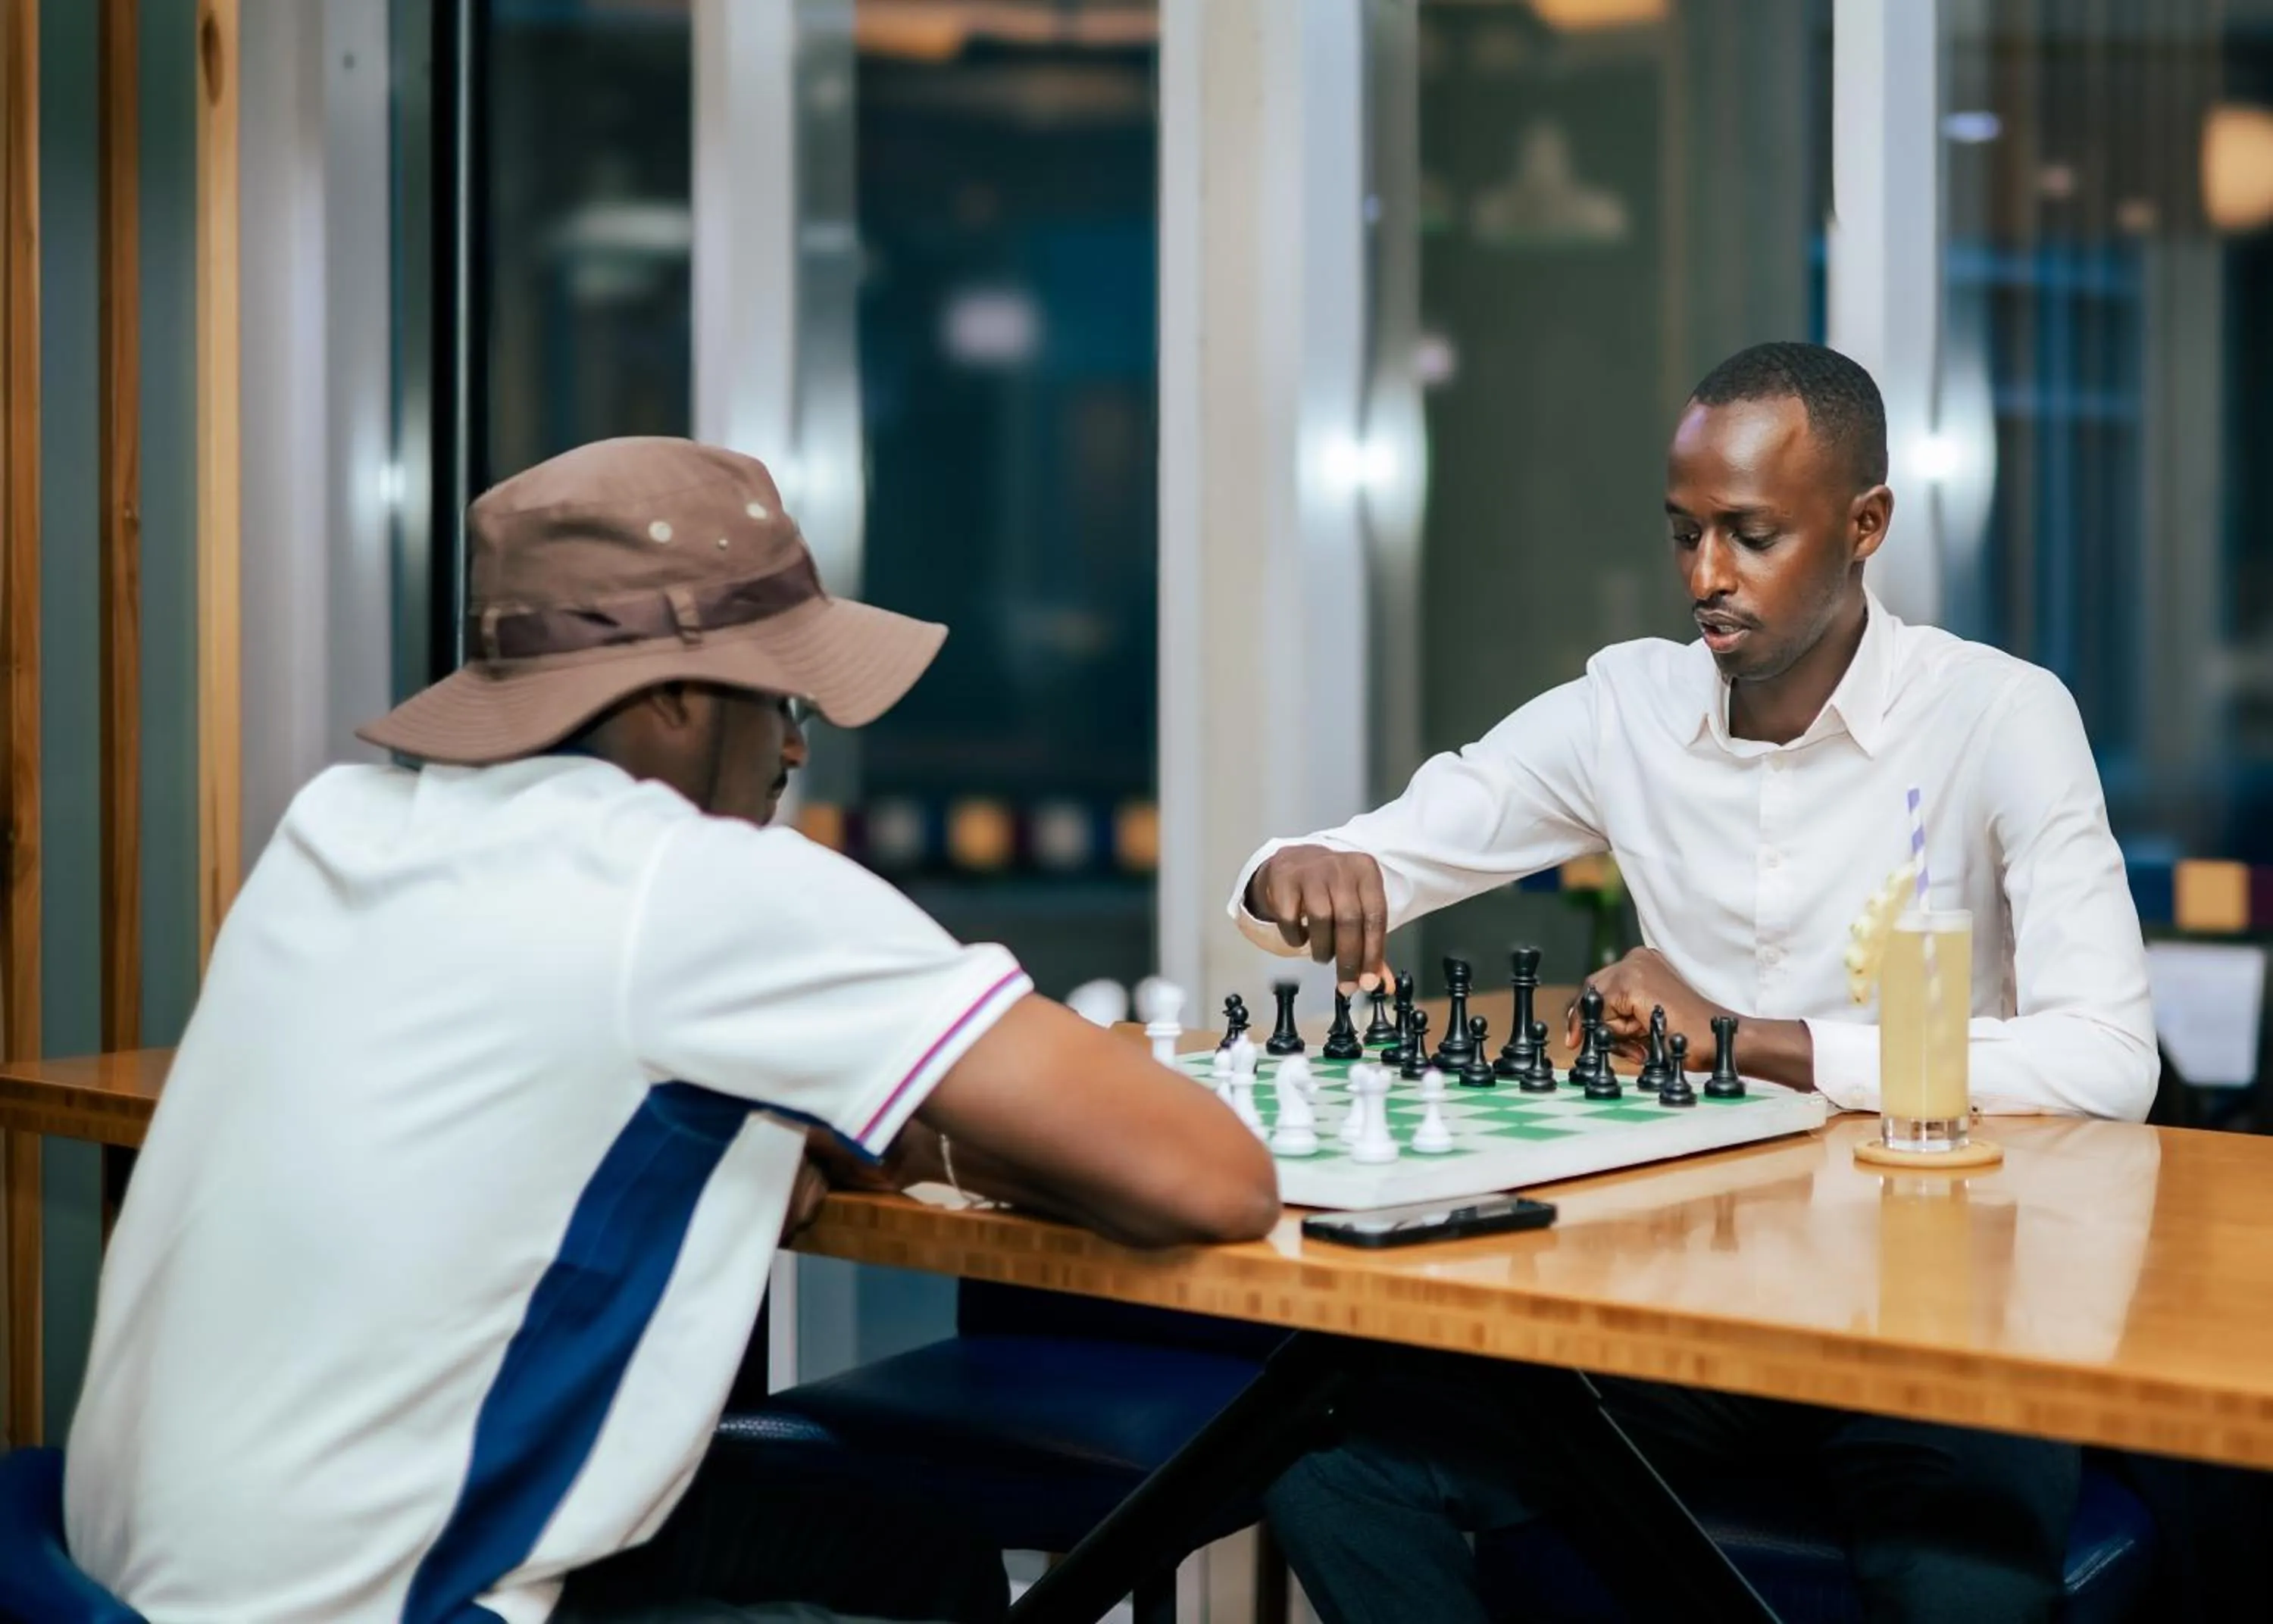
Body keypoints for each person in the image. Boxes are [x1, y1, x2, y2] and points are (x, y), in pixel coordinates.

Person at [65, 437, 1280, 1624]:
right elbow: (1211, 1177)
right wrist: (914, 1148)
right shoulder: (688, 887)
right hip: (376, 1603)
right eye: (782, 696)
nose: (800, 746)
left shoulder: (334, 825)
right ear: (681, 698)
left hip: (121, 1570)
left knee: (902, 1552)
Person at [1234, 343, 2158, 1623]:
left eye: (1751, 535)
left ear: (1865, 524)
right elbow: (1377, 853)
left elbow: (2110, 1061)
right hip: (1686, 1316)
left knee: (1964, 1598)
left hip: (1944, 1325)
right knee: (1331, 1463)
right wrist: (1298, 871)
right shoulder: (1628, 706)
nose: (1707, 579)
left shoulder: (2001, 717)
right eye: (1685, 535)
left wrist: (1753, 1041)